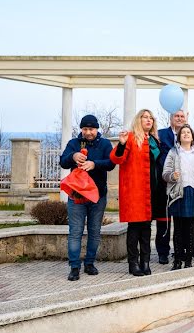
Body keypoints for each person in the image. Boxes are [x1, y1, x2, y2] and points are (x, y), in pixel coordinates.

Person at [59, 114, 114, 281]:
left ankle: (89, 263)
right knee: (75, 231)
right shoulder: (74, 143)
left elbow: (111, 163)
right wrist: (73, 156)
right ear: (81, 129)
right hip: (77, 195)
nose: (88, 132)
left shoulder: (104, 144)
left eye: (91, 129)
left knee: (94, 232)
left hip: (98, 196)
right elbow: (63, 162)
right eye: (85, 129)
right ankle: (74, 266)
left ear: (97, 129)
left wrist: (94, 164)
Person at [111, 109, 161, 276]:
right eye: (145, 117)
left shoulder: (154, 140)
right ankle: (133, 263)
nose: (148, 120)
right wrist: (122, 143)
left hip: (151, 189)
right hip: (135, 190)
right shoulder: (130, 138)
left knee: (147, 227)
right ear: (138, 120)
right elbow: (117, 159)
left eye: (151, 118)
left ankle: (145, 262)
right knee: (135, 228)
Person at [163, 125, 194, 270]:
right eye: (183, 132)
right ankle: (177, 260)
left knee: (191, 228)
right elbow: (165, 173)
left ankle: (189, 260)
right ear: (179, 137)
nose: (185, 134)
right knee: (178, 228)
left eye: (188, 132)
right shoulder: (173, 152)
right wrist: (172, 176)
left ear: (193, 136)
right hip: (178, 193)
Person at [155, 110, 188, 264]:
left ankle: (180, 250)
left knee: (182, 220)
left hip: (183, 186)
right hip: (164, 185)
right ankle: (163, 252)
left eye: (182, 116)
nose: (179, 118)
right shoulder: (160, 134)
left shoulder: (188, 136)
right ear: (171, 118)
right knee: (164, 221)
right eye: (177, 116)